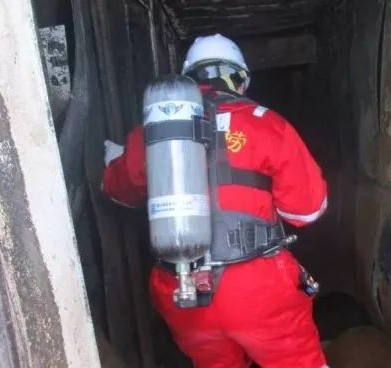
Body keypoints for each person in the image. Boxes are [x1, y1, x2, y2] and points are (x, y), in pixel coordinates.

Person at [102, 34, 329, 368]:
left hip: (183, 290)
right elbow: (306, 211)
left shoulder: (153, 131)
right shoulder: (268, 124)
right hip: (257, 288)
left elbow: (115, 189)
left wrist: (117, 159)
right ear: (240, 80)